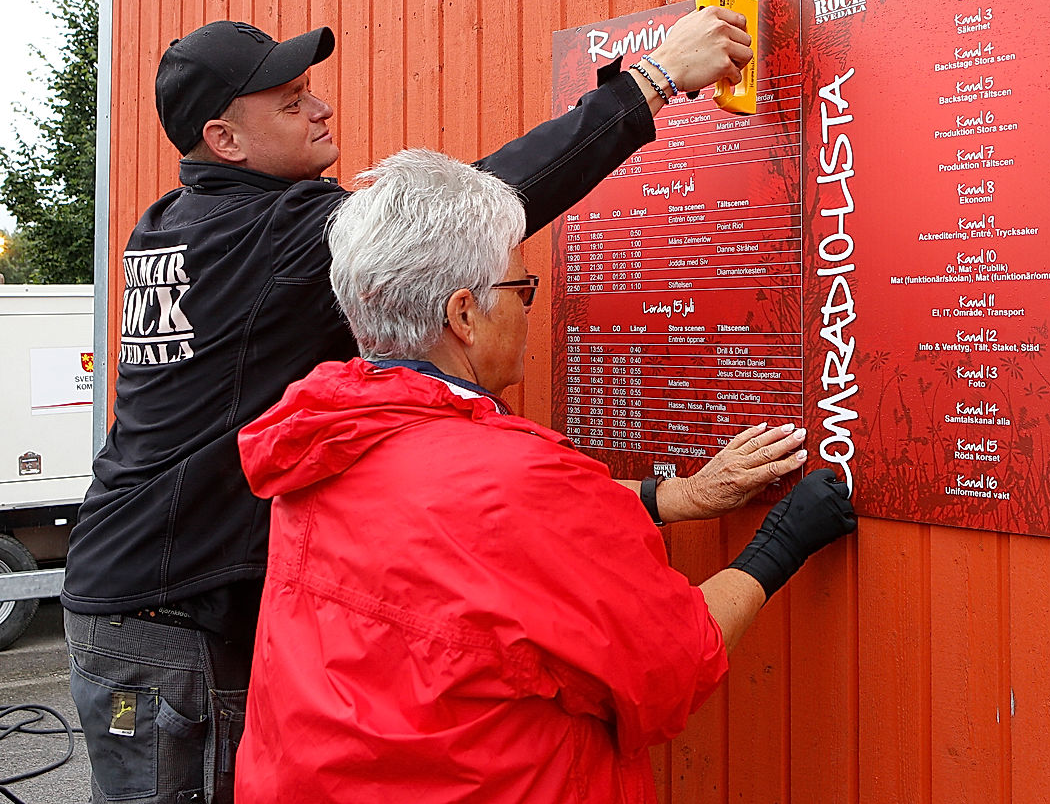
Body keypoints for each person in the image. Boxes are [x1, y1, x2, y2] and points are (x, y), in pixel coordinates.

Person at [58, 9, 801, 804]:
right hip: (170, 621)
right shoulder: (271, 238)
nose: (320, 109)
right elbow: (465, 213)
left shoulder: (172, 225)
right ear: (226, 140)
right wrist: (651, 82)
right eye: (289, 101)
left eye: (312, 90)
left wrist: (669, 497)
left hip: (138, 590)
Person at [233, 150, 857, 803]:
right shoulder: (513, 477)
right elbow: (676, 656)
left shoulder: (322, 439)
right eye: (522, 289)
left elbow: (478, 547)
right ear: (464, 315)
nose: (531, 308)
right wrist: (782, 541)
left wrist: (680, 497)